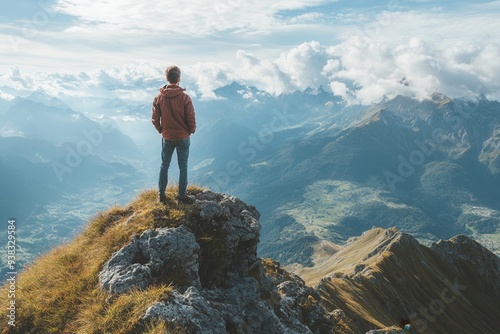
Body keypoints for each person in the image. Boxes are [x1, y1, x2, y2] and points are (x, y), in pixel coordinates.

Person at [152, 65, 196, 204]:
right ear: (179, 78)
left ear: (167, 78)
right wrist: (191, 130)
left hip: (167, 137)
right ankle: (182, 196)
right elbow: (191, 117)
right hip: (183, 136)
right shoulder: (185, 98)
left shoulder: (159, 98)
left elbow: (154, 118)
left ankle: (161, 195)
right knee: (183, 165)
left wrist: (161, 130)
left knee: (164, 165)